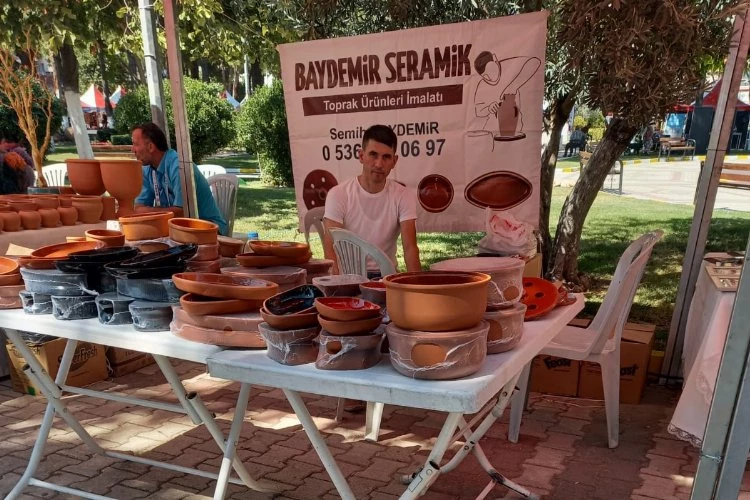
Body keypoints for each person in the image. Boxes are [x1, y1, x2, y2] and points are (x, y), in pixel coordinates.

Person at [323, 124, 421, 278]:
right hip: (348, 278)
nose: (379, 164)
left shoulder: (403, 195)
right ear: (361, 156)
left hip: (386, 278)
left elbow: (410, 248)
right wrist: (338, 285)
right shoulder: (338, 194)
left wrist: (417, 286)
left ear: (394, 161)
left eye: (386, 157)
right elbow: (331, 250)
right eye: (373, 155)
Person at [131, 122, 227, 234]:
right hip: (180, 228)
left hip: (209, 228)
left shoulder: (179, 167)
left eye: (135, 144)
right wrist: (148, 212)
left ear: (151, 147)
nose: (133, 149)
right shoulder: (147, 169)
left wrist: (148, 211)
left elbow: (182, 213)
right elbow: (138, 208)